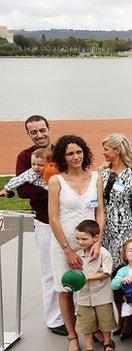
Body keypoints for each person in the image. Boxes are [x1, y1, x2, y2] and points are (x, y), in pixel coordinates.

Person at [48, 135, 104, 351]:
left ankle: (93, 329)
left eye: (78, 152)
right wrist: (68, 251)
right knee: (66, 289)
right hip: (64, 245)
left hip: (90, 244)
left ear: (85, 153)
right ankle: (72, 336)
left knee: (91, 287)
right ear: (63, 156)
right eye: (70, 153)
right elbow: (53, 218)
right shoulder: (56, 181)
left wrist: (97, 241)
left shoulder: (96, 177)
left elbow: (100, 211)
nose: (75, 157)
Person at [15, 115, 66, 335]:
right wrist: (53, 188)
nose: (39, 135)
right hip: (45, 222)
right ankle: (54, 319)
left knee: (71, 268)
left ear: (49, 128)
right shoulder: (25, 157)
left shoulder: (63, 150)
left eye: (42, 130)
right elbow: (23, 190)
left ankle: (72, 314)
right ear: (28, 134)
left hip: (68, 221)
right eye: (33, 132)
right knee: (49, 272)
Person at [100, 133, 132, 267]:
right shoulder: (102, 173)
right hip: (104, 231)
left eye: (106, 149)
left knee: (123, 268)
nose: (103, 153)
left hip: (125, 231)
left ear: (117, 150)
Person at [74, 220, 117, 351]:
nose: (80, 242)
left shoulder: (104, 254)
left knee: (106, 321)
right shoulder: (77, 255)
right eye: (77, 239)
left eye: (84, 239)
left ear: (96, 238)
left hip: (102, 296)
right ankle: (89, 347)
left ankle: (107, 343)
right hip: (83, 297)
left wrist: (87, 278)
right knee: (86, 324)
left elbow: (106, 273)